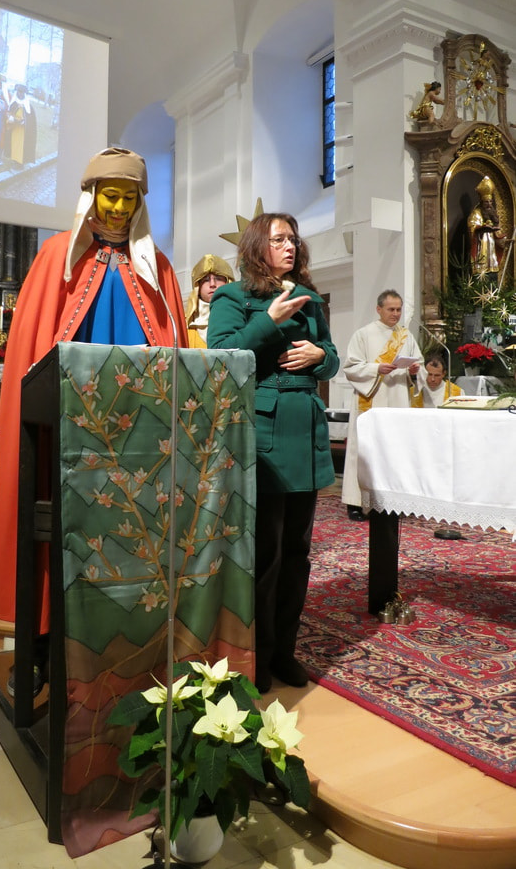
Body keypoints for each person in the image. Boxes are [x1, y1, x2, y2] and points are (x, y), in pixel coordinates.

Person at [0, 147, 188, 648]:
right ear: (92, 195)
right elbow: (34, 348)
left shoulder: (157, 267)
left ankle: (132, 640)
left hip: (139, 438)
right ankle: (47, 640)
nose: (119, 208)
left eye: (129, 198)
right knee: (62, 530)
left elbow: (174, 349)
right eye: (110, 195)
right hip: (66, 430)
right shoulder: (57, 256)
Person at [207, 211, 339, 694]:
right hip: (263, 432)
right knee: (265, 554)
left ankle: (285, 650)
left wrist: (321, 357)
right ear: (257, 245)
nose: (290, 246)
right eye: (279, 238)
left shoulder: (309, 297)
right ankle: (256, 655)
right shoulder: (232, 296)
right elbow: (220, 356)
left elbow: (332, 356)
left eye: (293, 239)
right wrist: (268, 321)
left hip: (306, 433)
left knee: (299, 553)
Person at [342, 290, 422, 521]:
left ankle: (391, 502)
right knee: (364, 450)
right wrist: (376, 368)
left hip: (397, 399)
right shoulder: (363, 334)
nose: (395, 314)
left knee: (393, 449)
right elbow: (351, 367)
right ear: (379, 309)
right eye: (391, 309)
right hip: (372, 399)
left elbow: (419, 365)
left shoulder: (406, 336)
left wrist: (414, 371)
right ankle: (356, 503)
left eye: (398, 309)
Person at [184, 254, 234, 347]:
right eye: (206, 280)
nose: (212, 284)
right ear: (197, 286)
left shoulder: (241, 317)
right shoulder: (183, 324)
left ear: (228, 282)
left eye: (218, 278)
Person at [467, 175, 505, 277]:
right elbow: (472, 226)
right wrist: (481, 228)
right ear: (482, 202)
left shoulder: (493, 214)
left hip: (491, 247)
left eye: (490, 201)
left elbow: (497, 233)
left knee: (492, 270)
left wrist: (503, 240)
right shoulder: (476, 213)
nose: (489, 204)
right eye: (486, 202)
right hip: (481, 245)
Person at [6, 84, 37, 167]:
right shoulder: (13, 104)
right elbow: (9, 113)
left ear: (24, 94)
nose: (20, 94)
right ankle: (14, 160)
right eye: (19, 92)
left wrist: (24, 122)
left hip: (23, 132)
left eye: (22, 92)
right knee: (14, 144)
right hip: (14, 129)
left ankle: (20, 163)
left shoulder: (29, 107)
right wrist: (10, 118)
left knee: (21, 146)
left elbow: (31, 121)